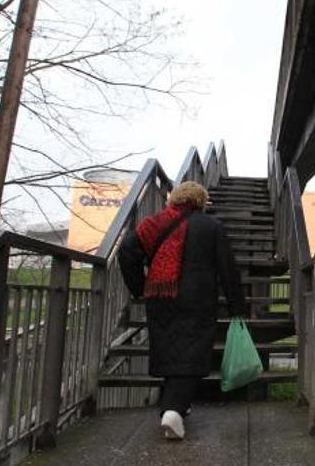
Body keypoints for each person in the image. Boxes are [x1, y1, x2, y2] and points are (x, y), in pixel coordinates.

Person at [118, 181, 245, 440]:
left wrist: (140, 287)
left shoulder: (154, 223)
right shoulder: (211, 226)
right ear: (200, 201)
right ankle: (172, 411)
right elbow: (227, 269)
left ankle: (178, 406)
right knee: (192, 352)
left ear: (174, 199)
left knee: (169, 348)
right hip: (197, 300)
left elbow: (126, 252)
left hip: (160, 295)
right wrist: (237, 306)